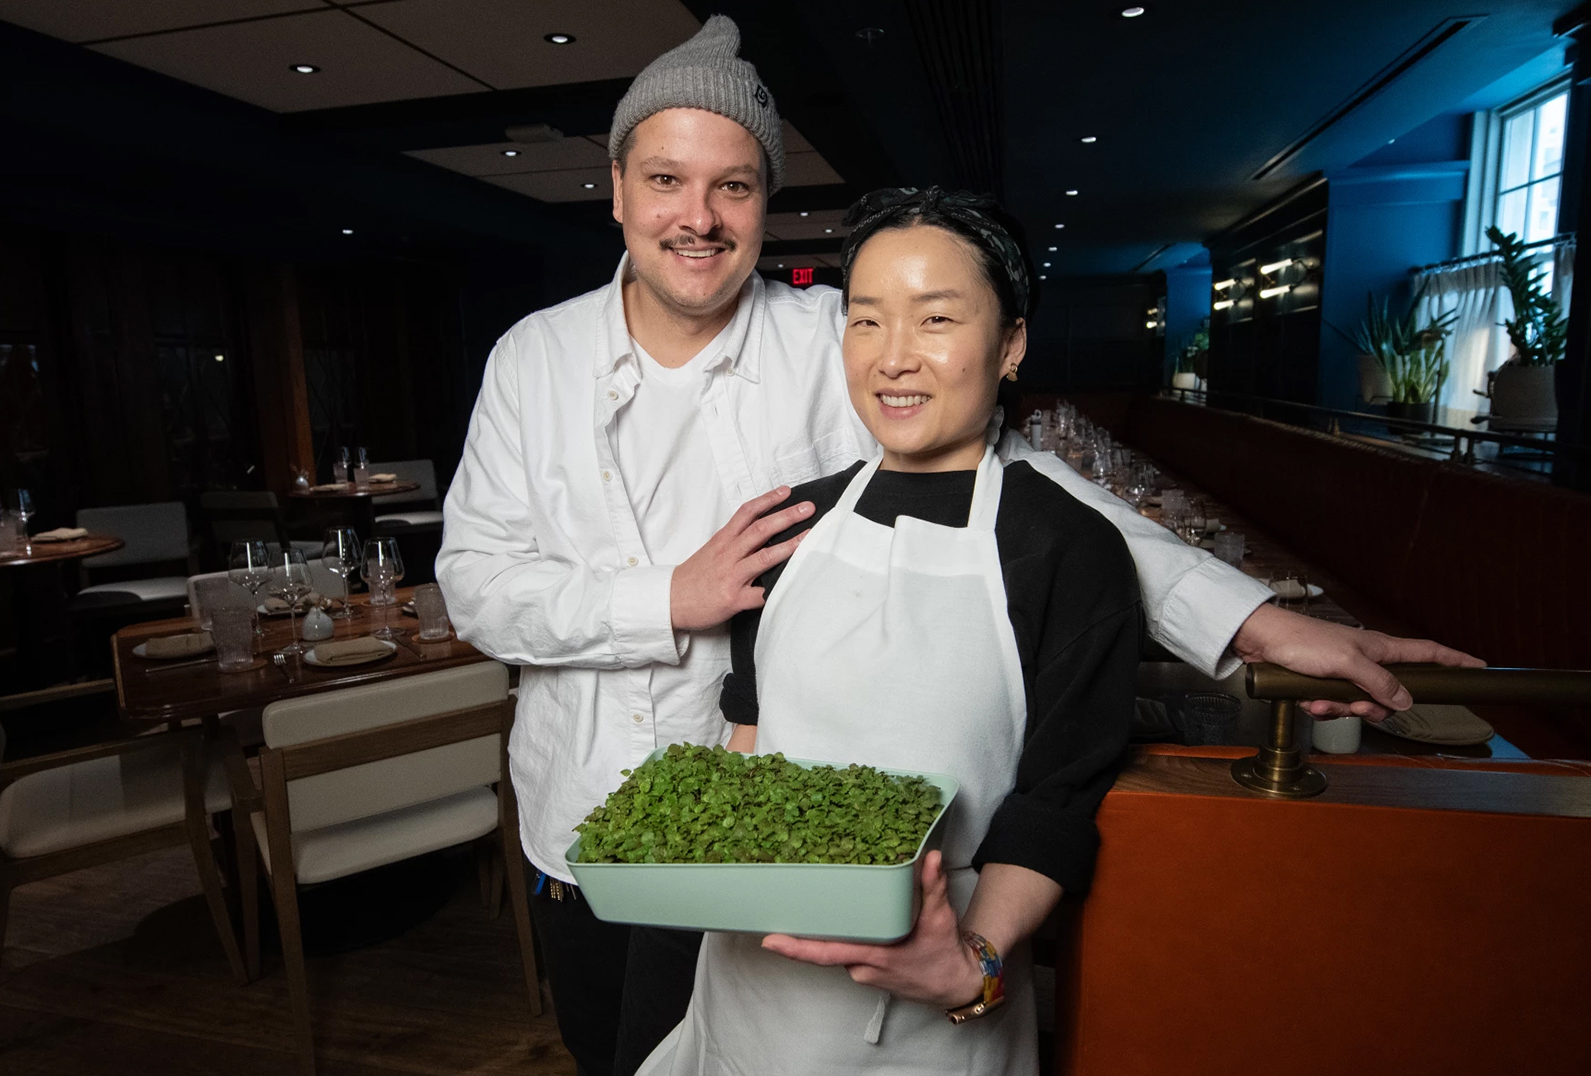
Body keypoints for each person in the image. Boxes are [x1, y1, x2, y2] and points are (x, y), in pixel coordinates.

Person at [435, 16, 1480, 1076]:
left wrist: (1249, 620)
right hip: (586, 818)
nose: (697, 218)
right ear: (617, 189)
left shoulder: (837, 334)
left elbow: (1023, 483)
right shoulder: (532, 358)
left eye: (733, 187)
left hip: (795, 840)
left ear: (765, 202)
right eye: (665, 180)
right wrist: (665, 597)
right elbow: (474, 585)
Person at [638, 184, 1132, 1076]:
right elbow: (749, 740)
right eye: (865, 321)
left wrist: (972, 967)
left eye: (935, 319)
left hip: (930, 1022)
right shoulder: (791, 523)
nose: (894, 358)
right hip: (747, 995)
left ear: (1011, 343)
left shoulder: (1068, 548)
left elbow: (1055, 806)